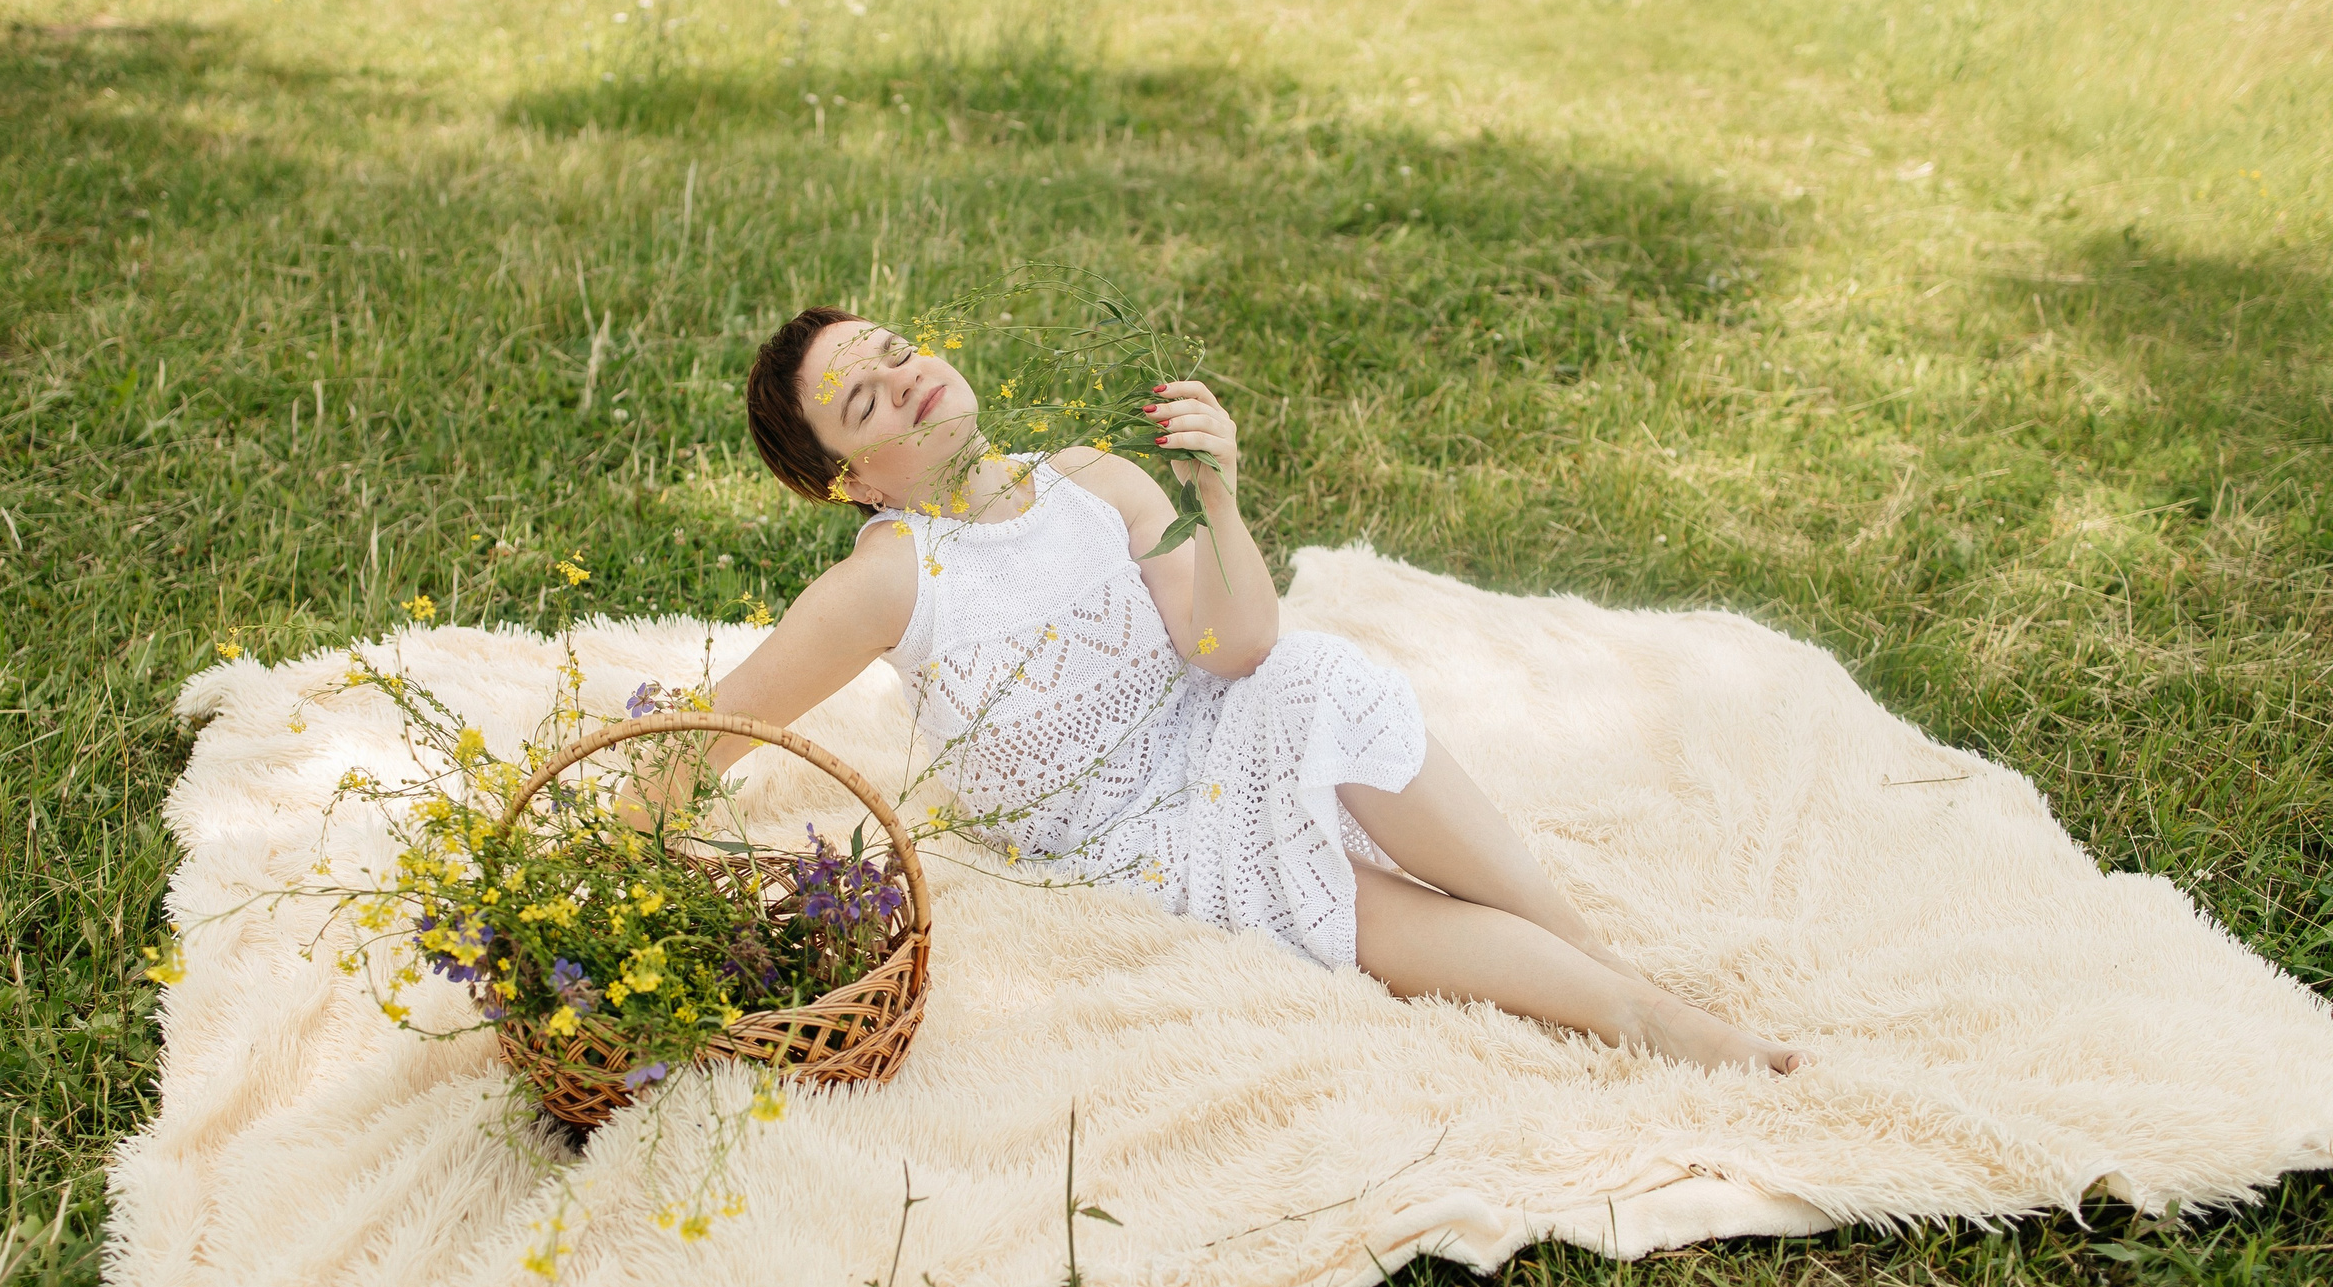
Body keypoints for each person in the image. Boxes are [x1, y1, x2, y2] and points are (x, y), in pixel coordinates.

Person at [689, 307, 1805, 1074]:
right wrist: (625, 846)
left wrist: (1213, 496)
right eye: (867, 401)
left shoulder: (1088, 480)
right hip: (1130, 838)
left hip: (1213, 723)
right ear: (848, 478)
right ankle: (1633, 1012)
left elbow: (1234, 647)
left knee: (1318, 669)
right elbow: (716, 728)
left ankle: (1594, 951)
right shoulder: (887, 579)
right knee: (1349, 901)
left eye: (896, 351)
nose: (905, 378)